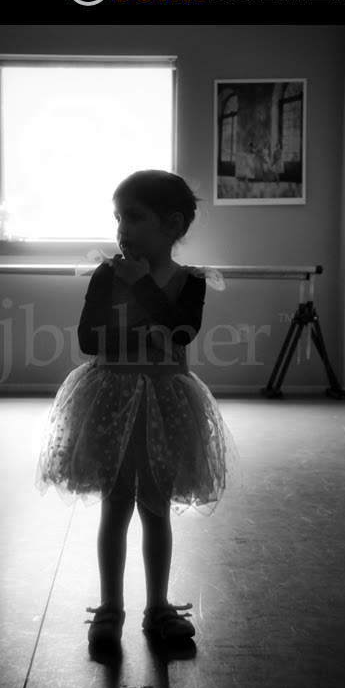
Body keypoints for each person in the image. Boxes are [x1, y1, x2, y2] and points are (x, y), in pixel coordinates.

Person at [36, 169, 239, 647]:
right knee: (115, 505)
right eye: (117, 218)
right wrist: (145, 333)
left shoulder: (190, 281)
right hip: (111, 399)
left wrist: (144, 288)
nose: (121, 229)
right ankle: (110, 608)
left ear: (171, 225)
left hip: (165, 403)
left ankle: (157, 607)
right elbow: (90, 339)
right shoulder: (106, 275)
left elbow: (181, 332)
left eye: (133, 217)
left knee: (155, 507)